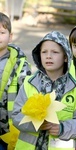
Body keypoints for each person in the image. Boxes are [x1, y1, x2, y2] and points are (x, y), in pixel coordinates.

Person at [12, 31, 76, 150]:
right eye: (44, 52)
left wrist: (62, 128)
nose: (48, 56)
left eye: (55, 52)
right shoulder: (29, 83)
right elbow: (16, 116)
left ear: (65, 57)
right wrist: (34, 123)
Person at [0, 12, 31, 149]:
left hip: (8, 128)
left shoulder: (21, 64)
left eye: (1, 32)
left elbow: (28, 94)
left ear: (10, 37)